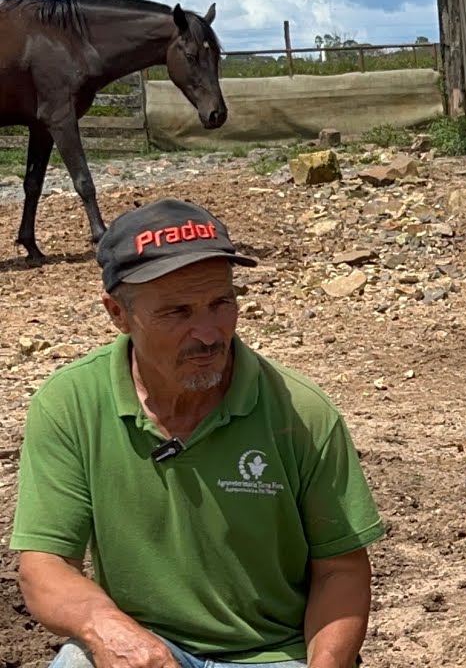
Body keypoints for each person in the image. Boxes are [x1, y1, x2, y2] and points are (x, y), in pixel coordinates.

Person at [8, 198, 385, 668]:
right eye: (178, 312)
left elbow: (340, 570)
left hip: (271, 654)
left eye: (221, 303)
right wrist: (106, 629)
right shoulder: (71, 404)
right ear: (117, 314)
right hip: (145, 646)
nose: (208, 333)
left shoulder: (300, 412)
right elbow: (44, 565)